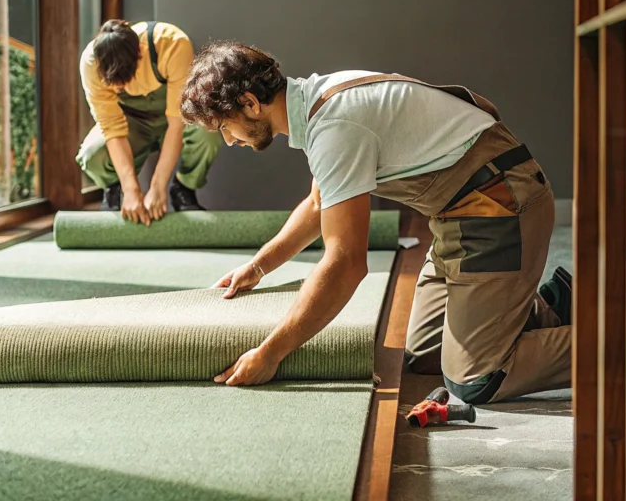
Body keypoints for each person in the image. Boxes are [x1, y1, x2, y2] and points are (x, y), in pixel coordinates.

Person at [180, 41, 573, 404]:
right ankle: (553, 307)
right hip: (460, 219)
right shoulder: (321, 100)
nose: (229, 140)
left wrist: (271, 354)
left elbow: (346, 263)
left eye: (223, 127)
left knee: (475, 378)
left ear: (250, 103)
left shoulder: (335, 128)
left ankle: (622, 346)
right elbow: (320, 204)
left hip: (500, 209)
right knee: (426, 353)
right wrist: (258, 266)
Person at [76, 19, 222, 224]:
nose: (119, 88)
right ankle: (116, 190)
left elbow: (176, 124)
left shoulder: (172, 44)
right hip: (132, 122)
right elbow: (112, 130)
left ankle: (183, 189)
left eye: (124, 80)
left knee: (209, 132)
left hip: (174, 118)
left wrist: (157, 187)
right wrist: (131, 189)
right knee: (92, 155)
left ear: (140, 55)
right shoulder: (91, 63)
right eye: (113, 82)